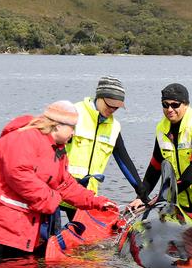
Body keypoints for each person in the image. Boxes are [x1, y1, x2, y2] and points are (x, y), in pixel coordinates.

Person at [0, 100, 117, 257]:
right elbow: (18, 173)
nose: (74, 133)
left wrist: (97, 202)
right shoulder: (24, 137)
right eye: (72, 128)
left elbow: (65, 184)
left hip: (17, 225)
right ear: (57, 126)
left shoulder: (57, 149)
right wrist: (51, 199)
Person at [128, 83, 192, 224]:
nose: (170, 109)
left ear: (186, 104)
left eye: (175, 105)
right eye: (165, 104)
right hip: (181, 197)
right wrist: (141, 197)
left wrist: (165, 194)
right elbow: (155, 167)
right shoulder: (161, 128)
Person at [62, 76, 145, 220]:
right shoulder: (74, 113)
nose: (112, 109)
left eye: (117, 106)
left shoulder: (114, 127)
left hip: (85, 199)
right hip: (58, 193)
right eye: (110, 104)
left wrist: (143, 194)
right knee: (48, 238)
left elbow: (124, 161)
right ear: (99, 97)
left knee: (87, 241)